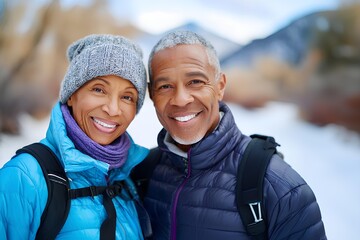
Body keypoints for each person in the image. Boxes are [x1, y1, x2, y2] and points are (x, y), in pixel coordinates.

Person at [132, 30, 327, 240]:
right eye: (165, 86)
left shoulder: (280, 188)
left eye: (195, 82)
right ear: (152, 95)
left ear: (220, 86)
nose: (180, 99)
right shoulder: (142, 173)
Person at [0, 34, 149, 239]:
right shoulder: (25, 176)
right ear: (71, 95)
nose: (113, 109)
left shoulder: (127, 179)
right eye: (98, 89)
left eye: (127, 97)